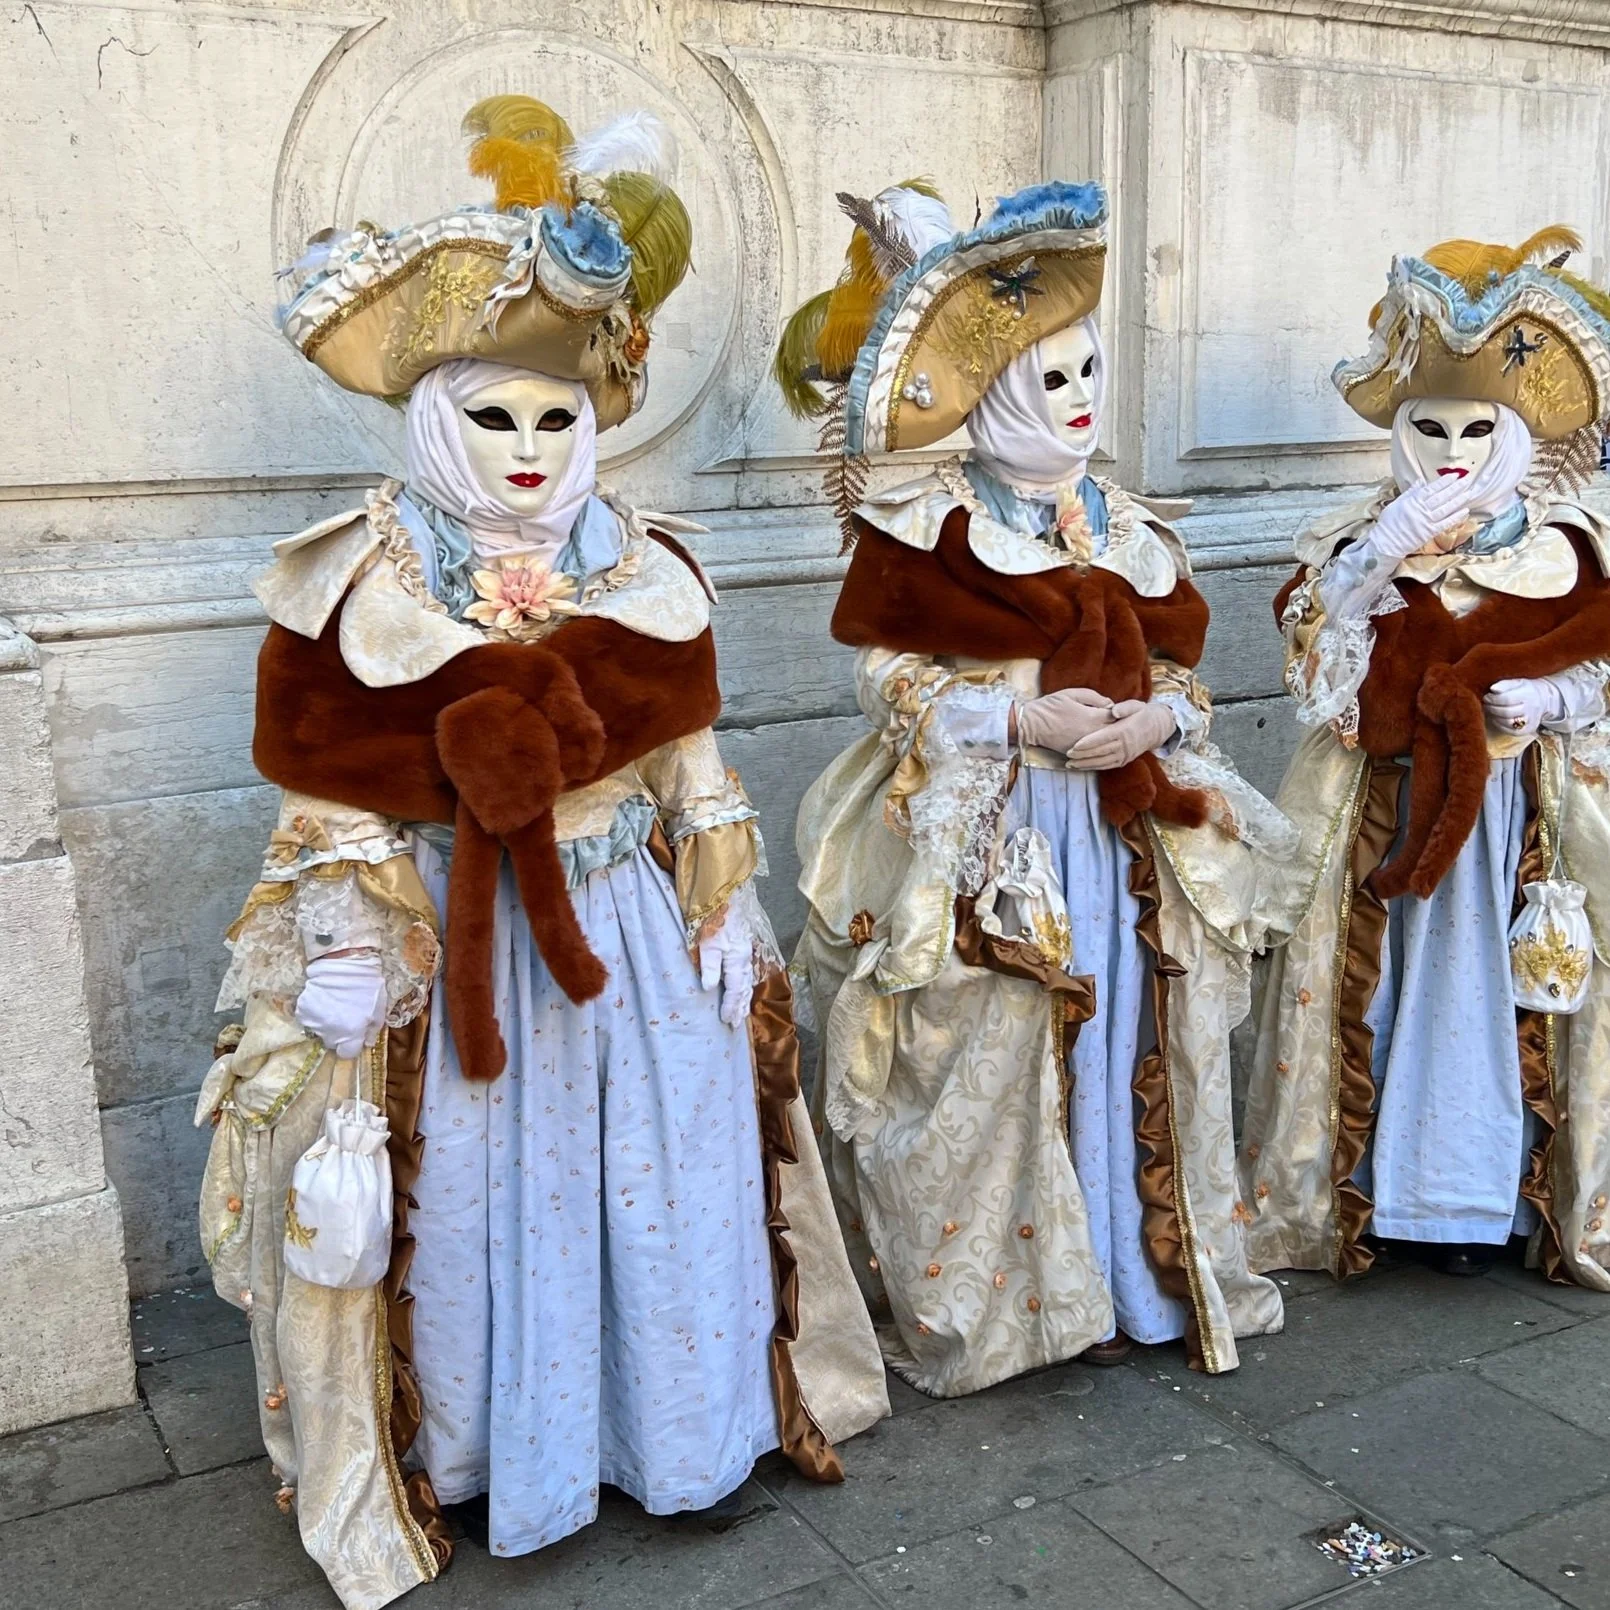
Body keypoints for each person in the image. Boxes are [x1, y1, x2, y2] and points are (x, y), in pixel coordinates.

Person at [195, 94, 887, 1610]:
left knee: (656, 1165)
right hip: (438, 941)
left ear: (595, 418)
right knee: (471, 1196)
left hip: (623, 925)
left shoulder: (640, 565)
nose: (525, 448)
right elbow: (330, 785)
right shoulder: (356, 573)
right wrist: (333, 945)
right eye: (491, 415)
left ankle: (665, 1430)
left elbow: (686, 756)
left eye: (554, 417)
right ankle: (485, 1449)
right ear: (435, 411)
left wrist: (723, 902)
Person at [775, 179, 1298, 1393]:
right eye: (1041, 381)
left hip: (1121, 831)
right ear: (989, 392)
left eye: (1083, 375)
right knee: (993, 1042)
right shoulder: (929, 524)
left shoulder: (1126, 521)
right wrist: (1009, 714)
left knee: (1130, 1033)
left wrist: (1159, 717)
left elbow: (1185, 672)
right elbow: (887, 676)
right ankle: (1025, 1297)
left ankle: (1129, 1267)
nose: (1071, 405)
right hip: (993, 823)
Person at [1241, 226, 1610, 1291]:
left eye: (1474, 428)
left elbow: (1599, 657)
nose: (1450, 452)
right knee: (1375, 992)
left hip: (1513, 821)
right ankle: (1384, 1194)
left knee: (1498, 995)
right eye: (1428, 427)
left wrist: (1552, 693)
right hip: (1381, 815)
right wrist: (1376, 555)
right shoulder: (1348, 540)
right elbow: (1311, 670)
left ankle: (1487, 1195)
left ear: (1510, 433)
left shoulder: (1566, 546)